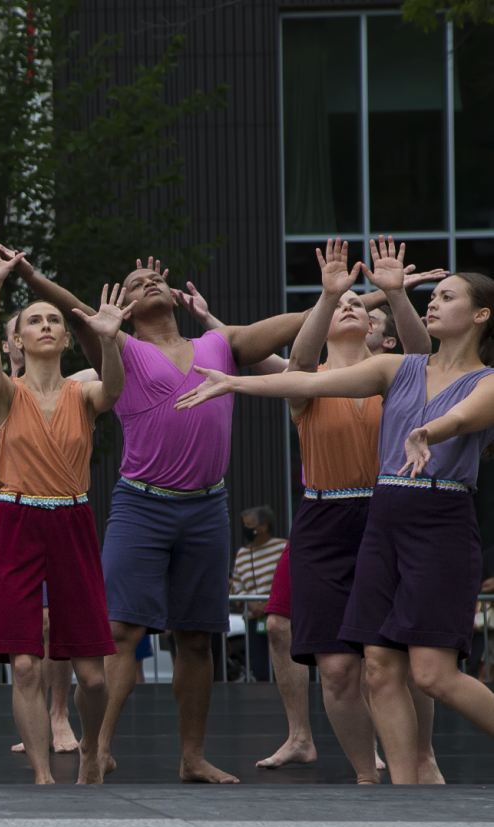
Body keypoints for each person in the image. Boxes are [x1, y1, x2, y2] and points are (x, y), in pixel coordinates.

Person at [176, 270, 494, 784]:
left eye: (446, 296)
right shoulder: (397, 368)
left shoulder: (487, 380)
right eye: (430, 296)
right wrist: (235, 381)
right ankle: (402, 796)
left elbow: (459, 418)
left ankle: (419, 763)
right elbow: (309, 379)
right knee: (376, 666)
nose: (432, 302)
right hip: (383, 518)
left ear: (481, 315)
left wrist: (426, 430)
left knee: (432, 675)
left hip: (439, 519)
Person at [6, 248, 309, 782]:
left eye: (153, 277)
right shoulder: (117, 348)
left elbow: (296, 323)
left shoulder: (218, 344)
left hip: (207, 507)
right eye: (134, 281)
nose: (147, 280)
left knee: (195, 637)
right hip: (141, 505)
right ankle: (95, 751)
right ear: (121, 307)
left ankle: (192, 758)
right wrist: (31, 276)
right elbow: (76, 308)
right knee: (121, 632)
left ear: (172, 294)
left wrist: (350, 294)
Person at [255, 239, 434, 780]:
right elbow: (302, 360)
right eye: (342, 305)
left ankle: (420, 759)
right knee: (335, 668)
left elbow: (426, 355)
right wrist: (328, 296)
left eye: (360, 303)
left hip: (389, 514)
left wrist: (396, 294)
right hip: (324, 521)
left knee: (394, 661)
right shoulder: (306, 384)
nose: (352, 305)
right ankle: (365, 773)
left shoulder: (399, 376)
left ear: (376, 328)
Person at [0, 234, 125, 783]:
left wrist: (111, 340)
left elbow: (117, 389)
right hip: (17, 520)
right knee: (26, 662)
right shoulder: (5, 395)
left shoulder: (86, 393)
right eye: (34, 321)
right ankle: (41, 775)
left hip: (73, 521)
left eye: (55, 320)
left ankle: (88, 754)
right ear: (19, 339)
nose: (48, 326)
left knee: (94, 676)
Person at [229, 506, 288, 683]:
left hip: (280, 615)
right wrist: (250, 604)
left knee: (284, 665)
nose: (246, 529)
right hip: (253, 618)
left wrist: (270, 603)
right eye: (244, 524)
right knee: (261, 668)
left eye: (250, 524)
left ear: (264, 526)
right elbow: (236, 584)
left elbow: (289, 578)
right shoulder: (242, 553)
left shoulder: (282, 547)